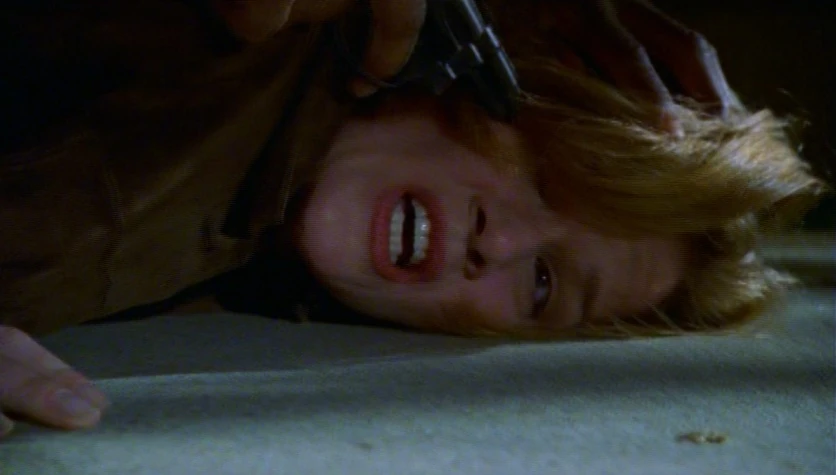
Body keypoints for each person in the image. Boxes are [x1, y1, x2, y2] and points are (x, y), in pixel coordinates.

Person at [0, 0, 825, 438]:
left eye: (543, 284)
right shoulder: (258, 39)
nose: (500, 242)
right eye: (548, 175)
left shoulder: (244, 275)